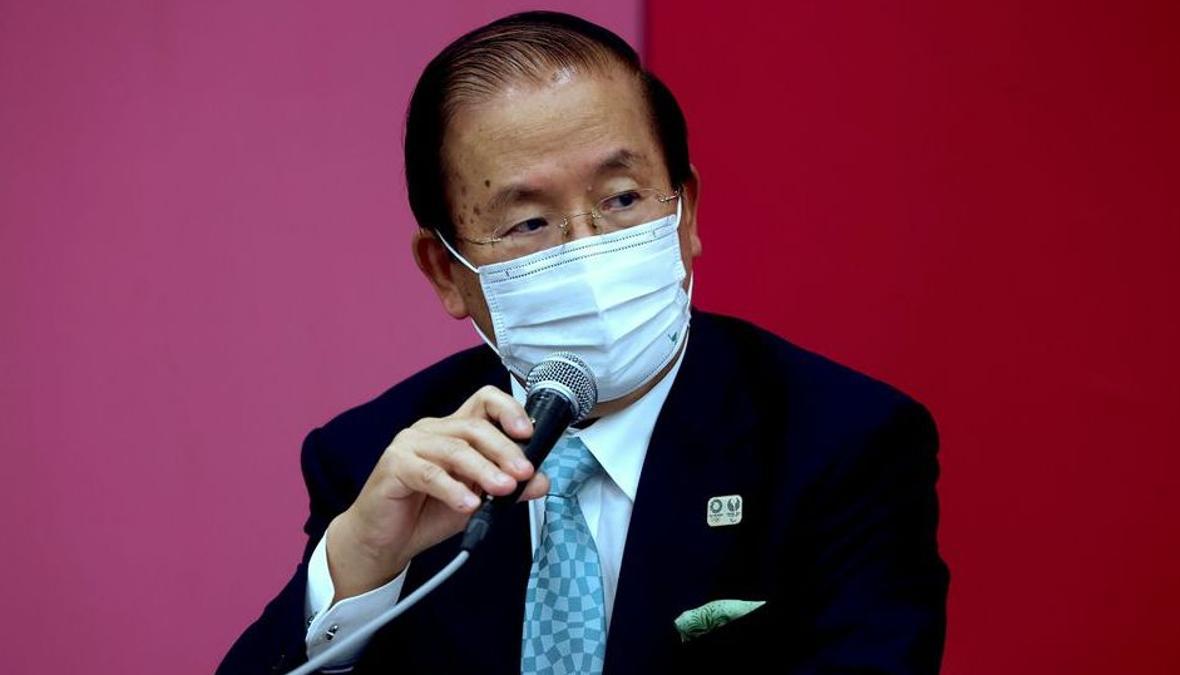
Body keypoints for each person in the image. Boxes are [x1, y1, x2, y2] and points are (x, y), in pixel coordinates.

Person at [218, 11, 948, 675]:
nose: (587, 249)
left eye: (622, 199)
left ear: (685, 212)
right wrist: (357, 564)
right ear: (447, 271)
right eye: (529, 223)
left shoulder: (841, 444)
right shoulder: (374, 458)